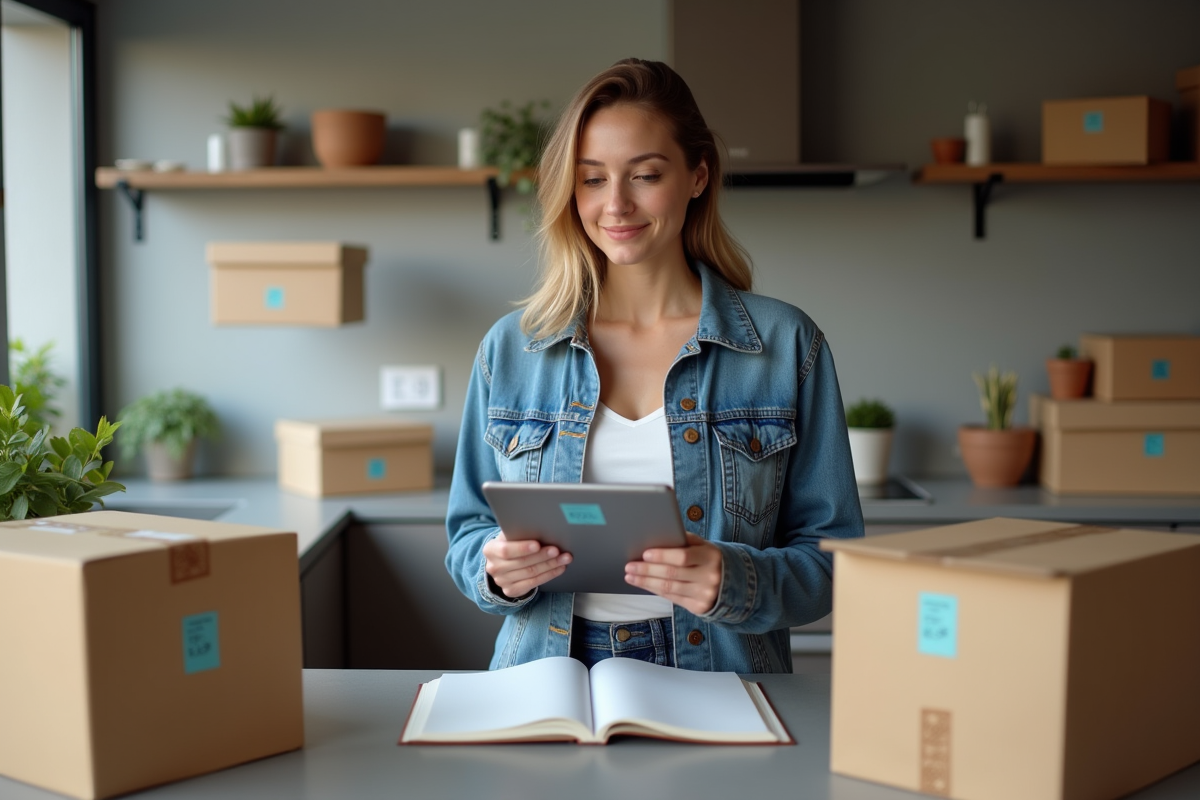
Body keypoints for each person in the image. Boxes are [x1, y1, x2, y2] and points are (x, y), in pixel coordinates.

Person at [446, 58, 863, 673]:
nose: (615, 204)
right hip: (545, 669)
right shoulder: (513, 348)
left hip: (720, 669)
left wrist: (735, 577)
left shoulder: (785, 344)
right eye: (591, 180)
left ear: (697, 176)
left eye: (644, 175)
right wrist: (496, 566)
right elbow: (467, 536)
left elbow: (833, 560)